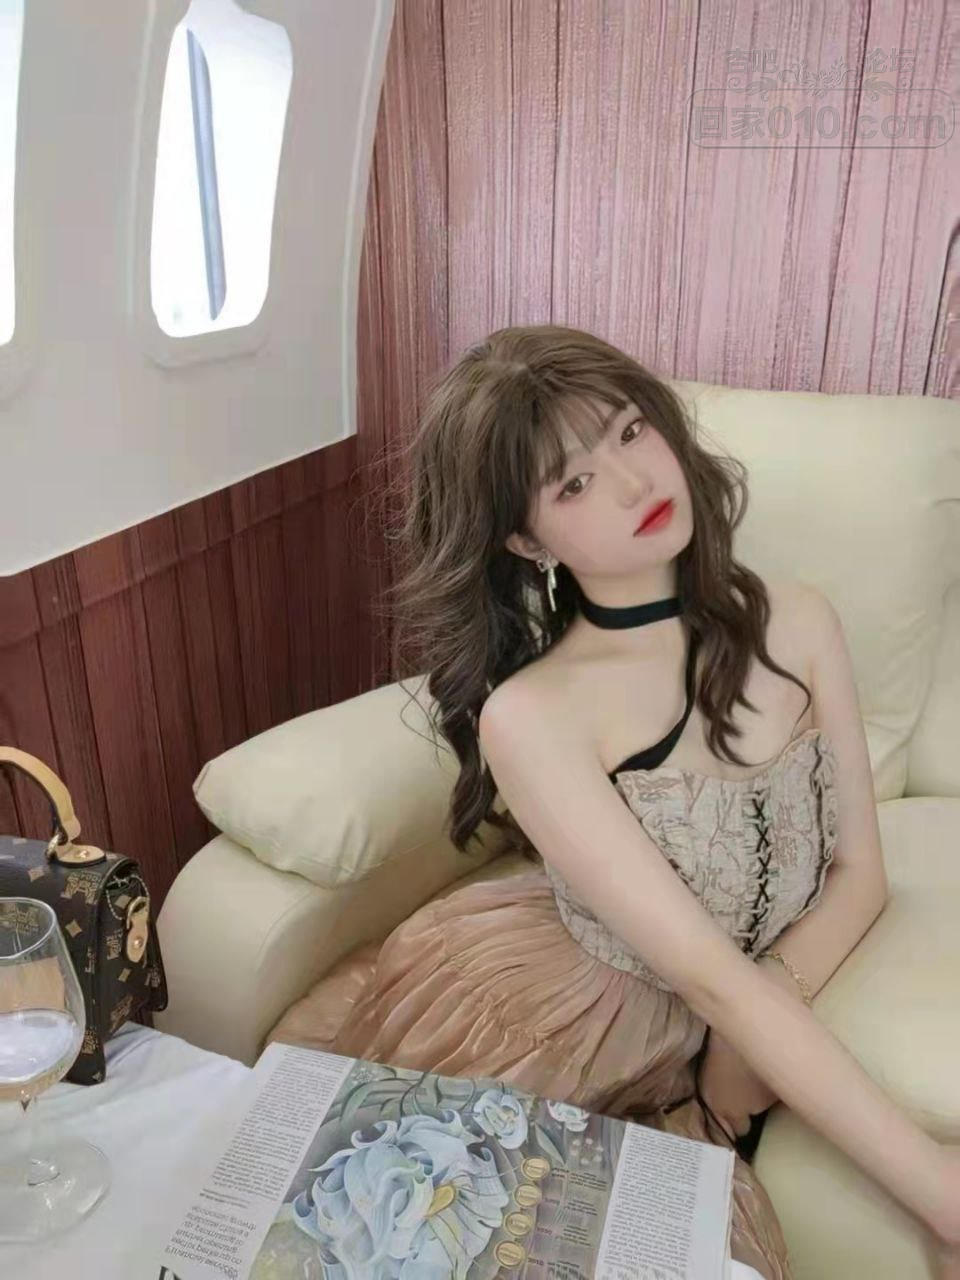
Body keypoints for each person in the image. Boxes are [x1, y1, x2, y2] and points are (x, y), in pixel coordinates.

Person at [270, 325, 960, 1279]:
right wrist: (941, 1194)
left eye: (632, 431)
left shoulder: (799, 620)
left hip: (721, 1004)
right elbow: (707, 977)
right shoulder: (535, 715)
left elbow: (861, 875)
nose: (635, 483)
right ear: (525, 539)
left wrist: (764, 1006)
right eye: (574, 484)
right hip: (562, 1021)